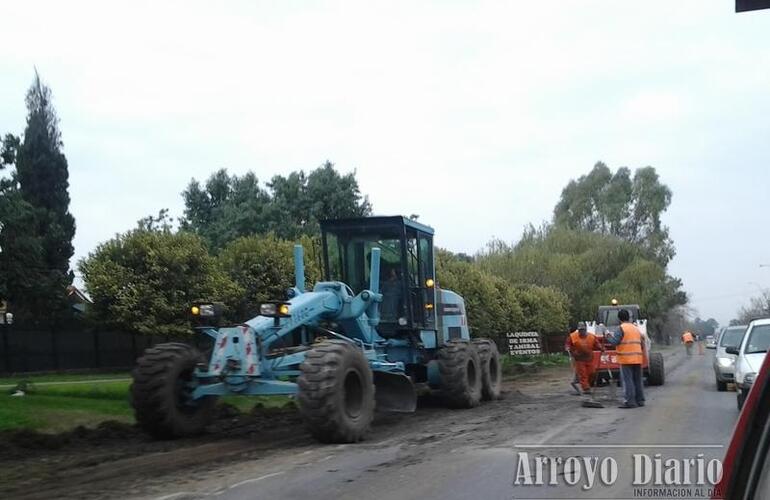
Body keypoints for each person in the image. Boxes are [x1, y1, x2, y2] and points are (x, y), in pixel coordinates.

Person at [607, 309, 645, 409]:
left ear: (619, 318)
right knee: (637, 380)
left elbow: (614, 342)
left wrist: (607, 336)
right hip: (637, 358)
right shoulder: (635, 328)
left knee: (628, 381)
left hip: (626, 359)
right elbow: (642, 343)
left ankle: (630, 402)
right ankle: (640, 400)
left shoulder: (621, 328)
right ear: (629, 317)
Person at [565, 322, 603, 395]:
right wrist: (568, 348)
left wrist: (601, 348)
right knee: (583, 374)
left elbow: (597, 343)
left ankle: (584, 383)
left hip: (589, 358)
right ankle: (586, 388)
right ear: (578, 330)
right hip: (579, 358)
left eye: (582, 329)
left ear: (585, 329)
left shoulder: (591, 337)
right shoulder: (573, 336)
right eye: (580, 330)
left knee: (592, 372)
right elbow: (568, 344)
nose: (581, 331)